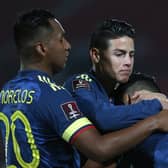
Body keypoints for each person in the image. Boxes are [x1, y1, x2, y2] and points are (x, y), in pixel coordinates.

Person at [1, 9, 168, 168]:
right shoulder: (52, 94)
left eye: (131, 55)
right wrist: (156, 120)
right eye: (61, 39)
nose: (68, 46)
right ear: (42, 48)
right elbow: (99, 149)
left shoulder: (6, 91)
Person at [64, 19, 168, 167]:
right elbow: (104, 117)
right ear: (96, 55)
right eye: (119, 54)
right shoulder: (80, 84)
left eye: (131, 55)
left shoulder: (119, 91)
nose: (128, 62)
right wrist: (156, 106)